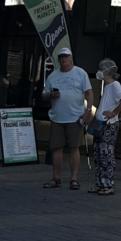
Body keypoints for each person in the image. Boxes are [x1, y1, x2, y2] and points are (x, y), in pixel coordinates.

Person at [41, 48, 93, 190]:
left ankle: (74, 179)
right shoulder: (53, 76)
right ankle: (56, 178)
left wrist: (88, 111)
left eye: (66, 56)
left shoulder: (80, 73)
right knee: (56, 148)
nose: (63, 59)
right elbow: (44, 94)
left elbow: (89, 92)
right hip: (57, 117)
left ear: (71, 57)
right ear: (58, 59)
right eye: (61, 57)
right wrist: (51, 95)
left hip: (75, 117)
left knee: (74, 148)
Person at [90, 59, 121, 196]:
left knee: (106, 154)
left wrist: (114, 113)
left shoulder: (115, 85)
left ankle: (108, 184)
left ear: (106, 72)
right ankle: (100, 183)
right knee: (99, 155)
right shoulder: (107, 86)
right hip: (101, 124)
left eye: (101, 70)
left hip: (108, 125)